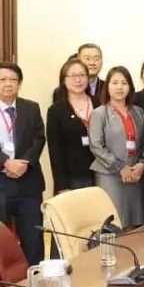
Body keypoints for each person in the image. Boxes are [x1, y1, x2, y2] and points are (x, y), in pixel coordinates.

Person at [89, 67, 144, 228]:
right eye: (114, 83)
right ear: (107, 86)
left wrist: (142, 164)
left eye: (124, 83)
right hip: (110, 175)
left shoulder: (138, 112)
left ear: (130, 87)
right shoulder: (99, 113)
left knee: (136, 223)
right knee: (114, 223)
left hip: (136, 175)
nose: (119, 87)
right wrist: (120, 167)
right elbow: (96, 146)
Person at [0, 62, 46, 265]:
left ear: (19, 84)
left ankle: (35, 278)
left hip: (28, 182)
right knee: (2, 241)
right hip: (1, 182)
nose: (8, 84)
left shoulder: (31, 108)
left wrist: (23, 164)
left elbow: (39, 138)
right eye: (2, 79)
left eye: (13, 80)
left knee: (33, 239)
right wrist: (5, 163)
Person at [47, 59, 97, 194]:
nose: (78, 80)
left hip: (101, 174)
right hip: (72, 178)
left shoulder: (99, 103)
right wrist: (61, 185)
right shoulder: (56, 110)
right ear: (64, 80)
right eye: (73, 76)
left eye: (82, 75)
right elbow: (55, 150)